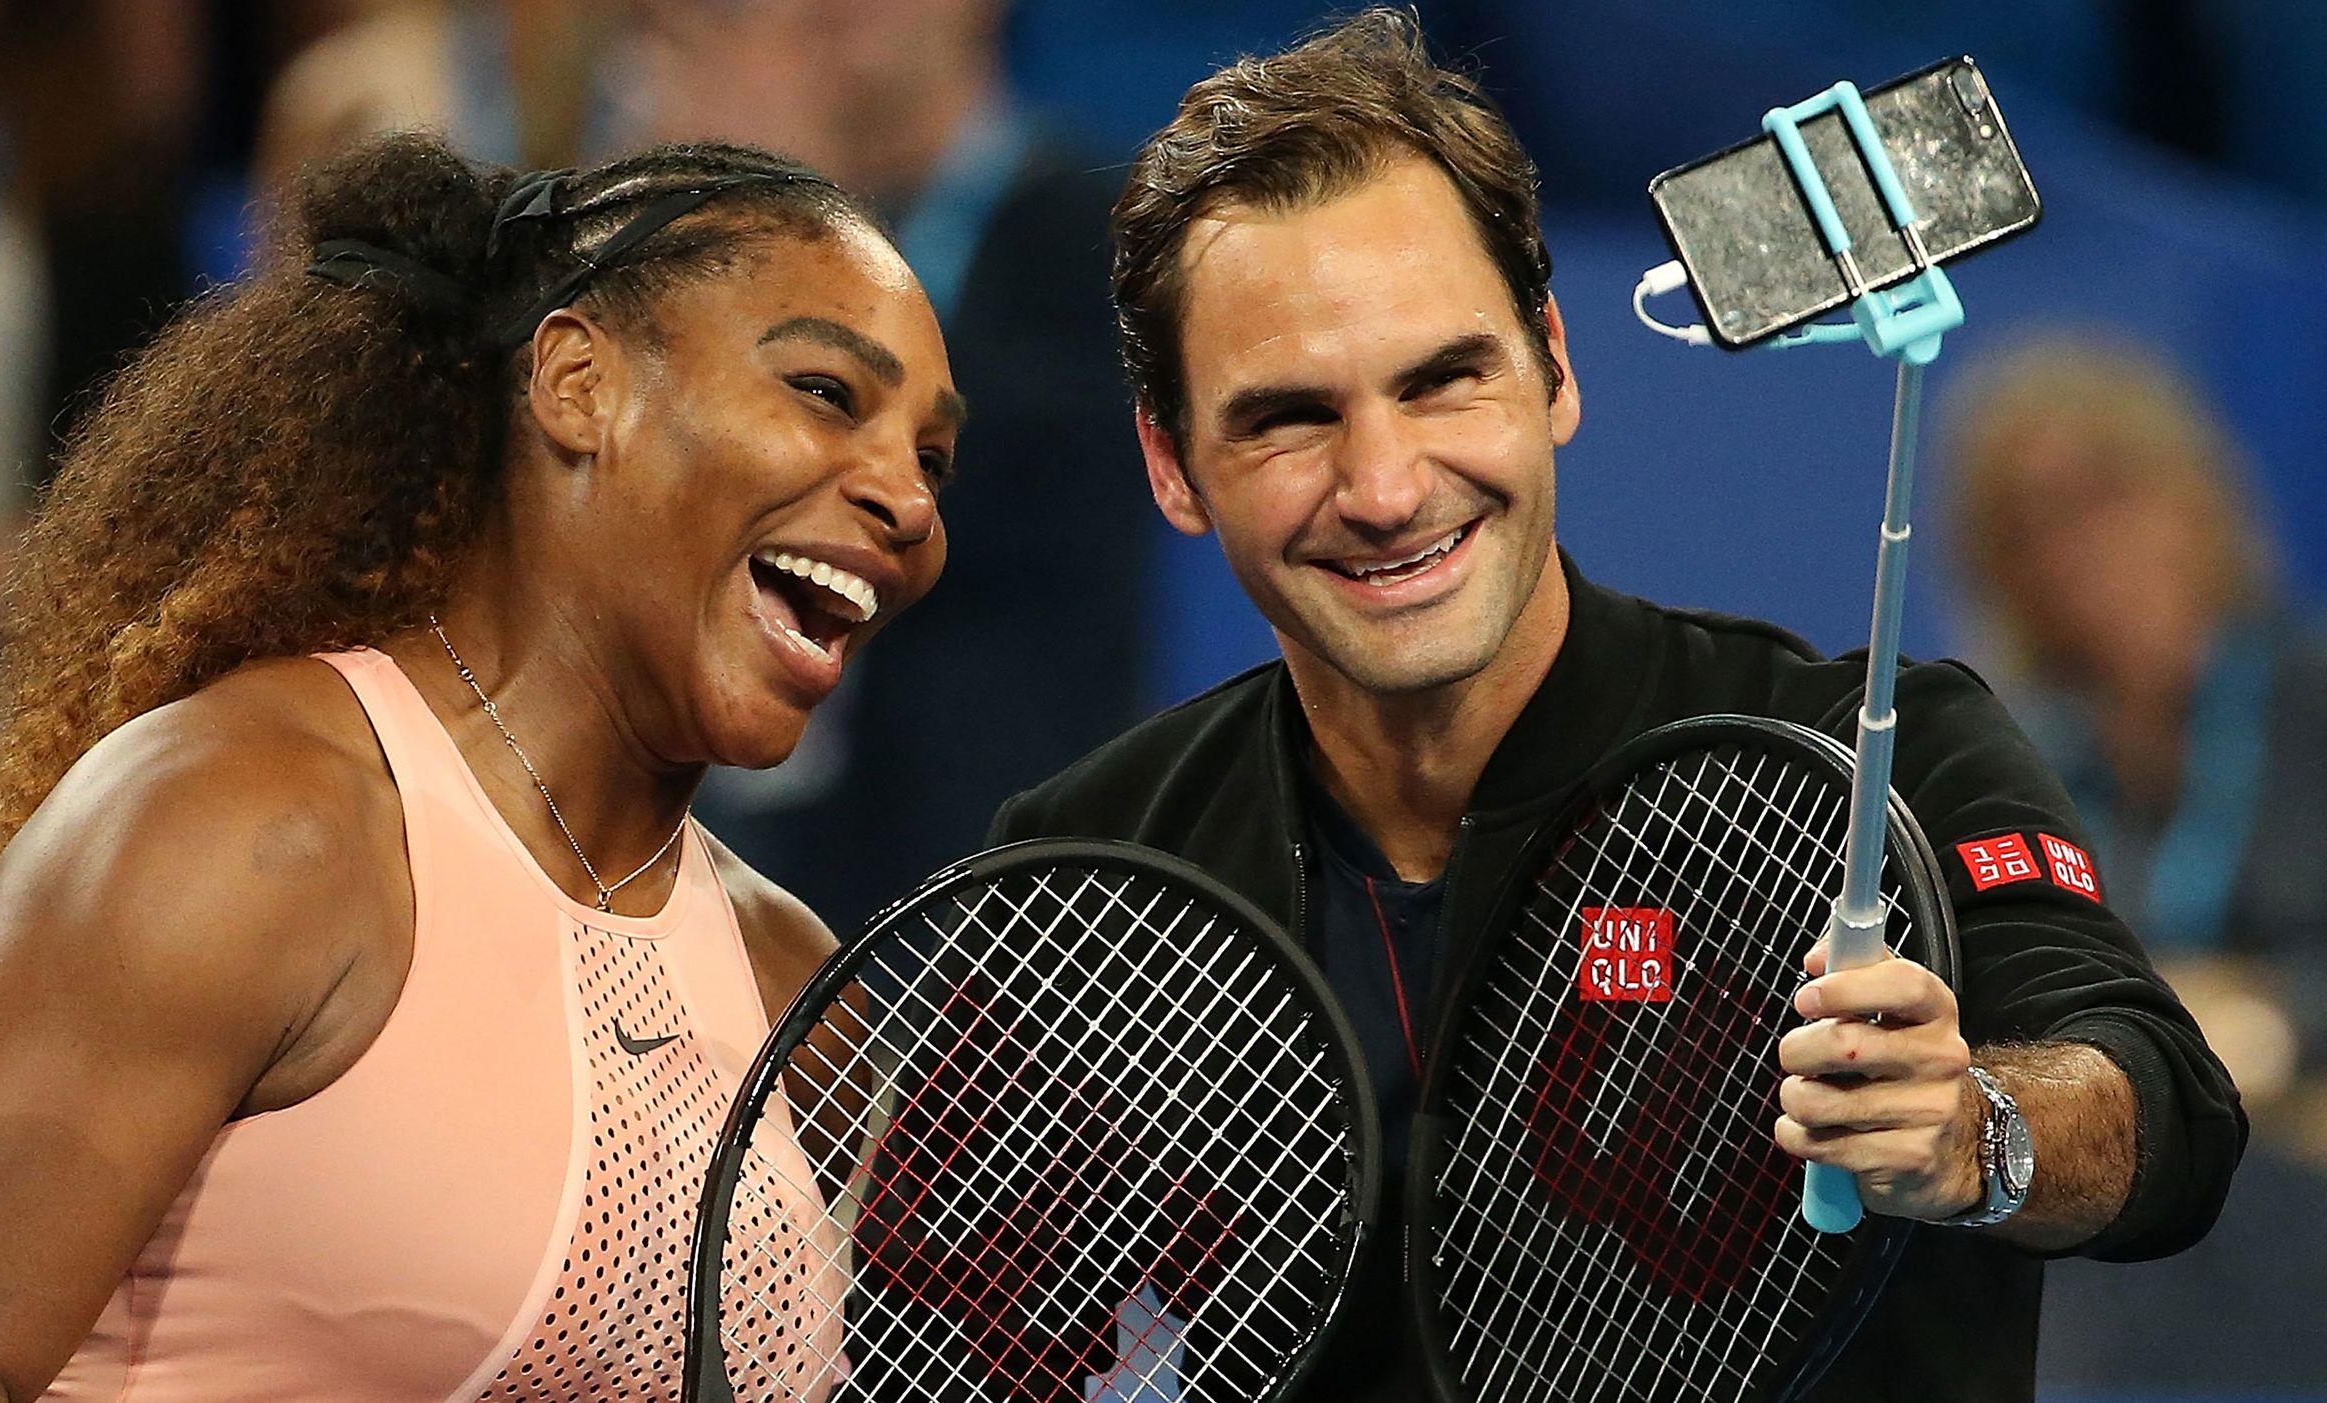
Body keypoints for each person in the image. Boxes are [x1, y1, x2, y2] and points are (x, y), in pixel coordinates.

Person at [987, 12, 2245, 1401]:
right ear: (1172, 464)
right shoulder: (1082, 870)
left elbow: (2157, 1112)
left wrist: (1974, 1133)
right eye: (1287, 414)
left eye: (1441, 377)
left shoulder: (1882, 756)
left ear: (1552, 367)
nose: (1386, 485)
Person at [0, 130, 962, 1400]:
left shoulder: (790, 984)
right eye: (826, 392)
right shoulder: (253, 816)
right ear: (578, 382)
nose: (907, 502)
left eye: (933, 456)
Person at [647, 0, 1157, 937]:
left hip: (1001, 934)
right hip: (718, 887)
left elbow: (942, 501)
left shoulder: (1100, 233)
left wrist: (781, 231)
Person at [1943, 331, 2327, 1393]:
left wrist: (2281, 1018)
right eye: (2030, 524)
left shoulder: (2307, 705)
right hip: (2110, 1304)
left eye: (2105, 496)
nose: (2078, 549)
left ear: (2195, 496)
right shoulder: (2010, 768)